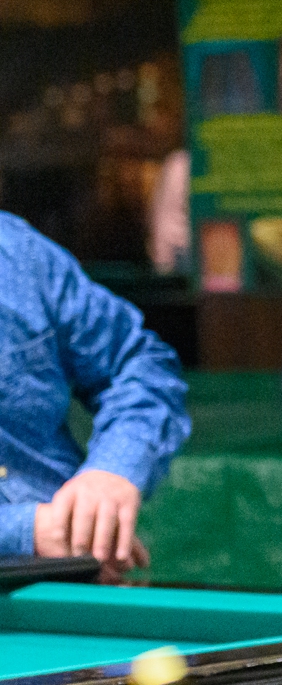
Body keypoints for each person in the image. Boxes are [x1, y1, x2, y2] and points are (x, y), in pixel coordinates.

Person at [0, 213, 187, 576]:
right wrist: (23, 532)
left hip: (76, 578)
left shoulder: (17, 251)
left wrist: (112, 470)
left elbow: (137, 363)